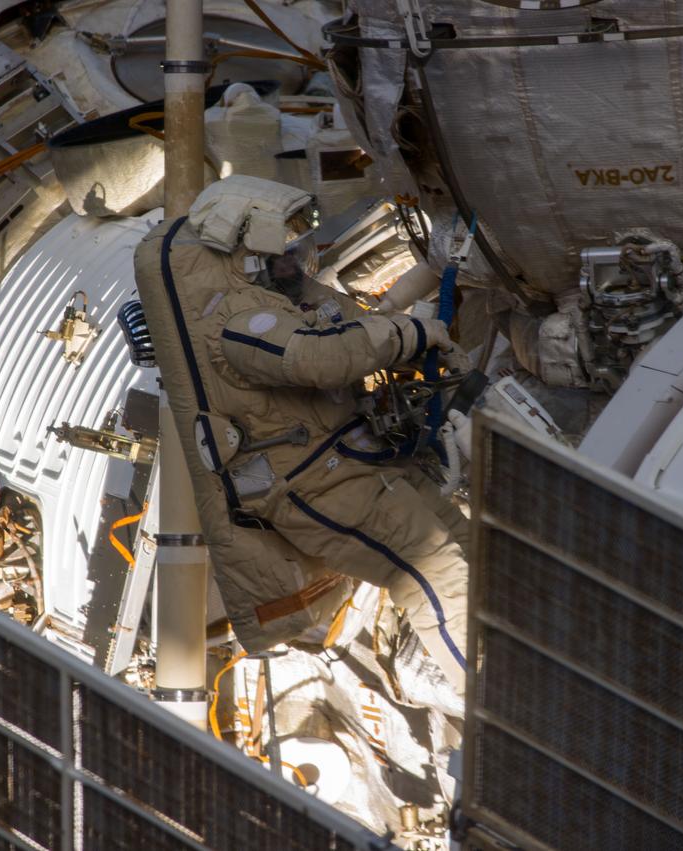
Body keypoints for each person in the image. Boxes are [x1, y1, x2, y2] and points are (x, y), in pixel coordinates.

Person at [135, 175, 471, 692]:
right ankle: (502, 703)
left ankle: (529, 659)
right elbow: (320, 358)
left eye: (301, 253)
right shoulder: (236, 321)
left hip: (358, 463)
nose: (296, 266)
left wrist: (405, 332)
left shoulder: (283, 298)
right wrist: (412, 332)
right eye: (284, 256)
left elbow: (353, 328)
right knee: (436, 575)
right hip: (312, 486)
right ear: (247, 256)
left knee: (469, 547)